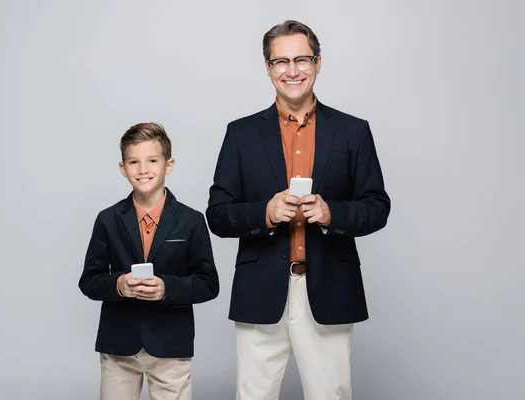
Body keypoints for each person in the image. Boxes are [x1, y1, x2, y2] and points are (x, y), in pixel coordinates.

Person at [206, 20, 391, 400]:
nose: (292, 71)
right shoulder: (240, 133)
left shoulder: (353, 131)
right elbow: (218, 214)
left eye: (302, 59)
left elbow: (377, 207)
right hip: (260, 291)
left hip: (329, 288)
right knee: (253, 395)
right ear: (268, 67)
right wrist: (266, 212)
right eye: (281, 61)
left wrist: (331, 213)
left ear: (318, 62)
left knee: (330, 395)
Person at [79, 122, 219, 400]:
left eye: (152, 160)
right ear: (123, 168)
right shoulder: (107, 219)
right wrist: (118, 285)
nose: (143, 170)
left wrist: (167, 288)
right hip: (119, 345)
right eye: (134, 162)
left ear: (169, 165)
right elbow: (89, 281)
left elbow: (208, 284)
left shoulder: (191, 221)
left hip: (171, 346)